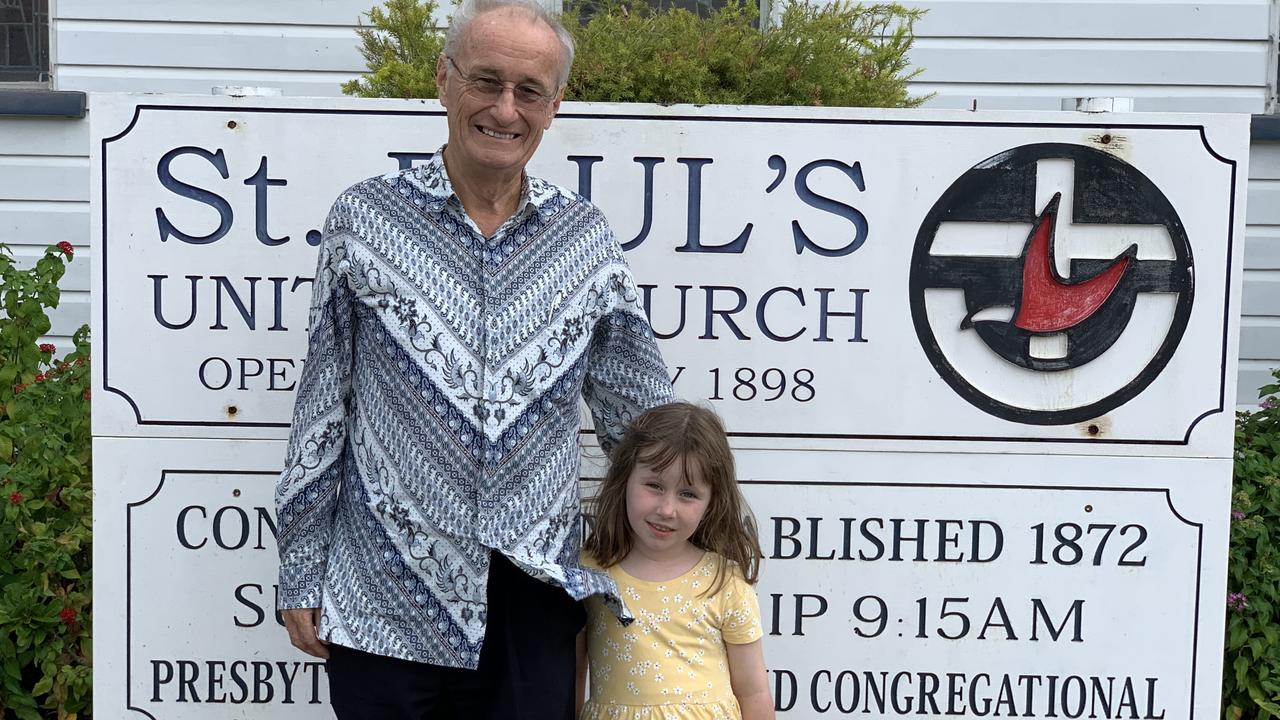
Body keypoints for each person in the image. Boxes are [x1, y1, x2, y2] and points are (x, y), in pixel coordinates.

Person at [273, 0, 674, 716]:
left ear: (555, 106)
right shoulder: (364, 221)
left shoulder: (583, 240)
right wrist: (302, 570)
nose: (505, 108)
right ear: (444, 81)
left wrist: (685, 548)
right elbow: (323, 404)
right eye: (486, 81)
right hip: (383, 592)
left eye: (530, 91)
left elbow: (641, 417)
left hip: (532, 599)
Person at [578, 402, 774, 720]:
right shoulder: (590, 573)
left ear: (712, 503)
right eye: (654, 486)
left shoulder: (724, 582)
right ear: (625, 479)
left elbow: (753, 691)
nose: (667, 509)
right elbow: (573, 675)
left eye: (688, 494)